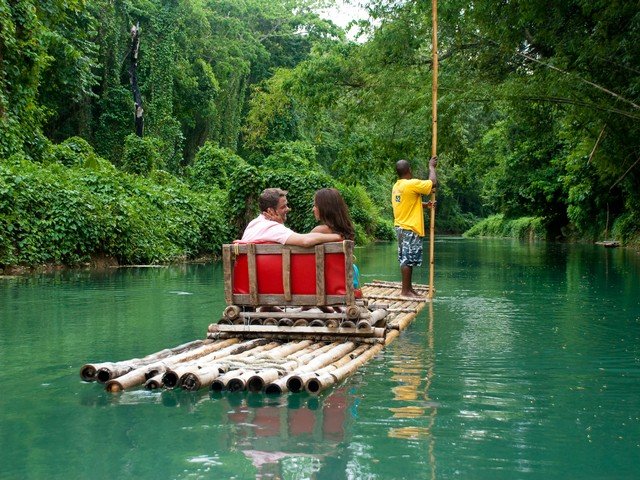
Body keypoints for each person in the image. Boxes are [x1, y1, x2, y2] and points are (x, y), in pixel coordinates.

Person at [391, 156, 437, 297]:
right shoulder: (411, 184)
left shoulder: (397, 186)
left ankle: (409, 289)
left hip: (401, 226)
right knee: (407, 259)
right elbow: (432, 183)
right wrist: (431, 167)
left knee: (407, 259)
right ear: (409, 170)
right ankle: (405, 291)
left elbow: (408, 204)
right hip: (409, 227)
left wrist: (426, 205)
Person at [241, 188, 342, 246]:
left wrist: (280, 224)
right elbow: (306, 241)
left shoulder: (253, 224)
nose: (288, 209)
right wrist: (339, 236)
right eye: (283, 207)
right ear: (270, 211)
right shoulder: (274, 228)